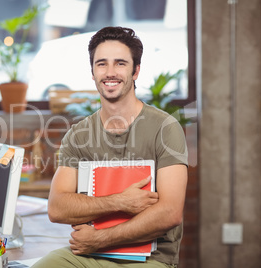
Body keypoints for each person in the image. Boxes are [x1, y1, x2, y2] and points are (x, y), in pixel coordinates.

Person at [32, 27, 188, 268]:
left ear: (136, 71)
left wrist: (100, 239)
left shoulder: (165, 128)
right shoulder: (78, 135)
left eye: (120, 63)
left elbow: (170, 212)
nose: (110, 72)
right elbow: (57, 207)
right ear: (93, 72)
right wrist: (120, 202)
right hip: (90, 256)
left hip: (149, 260)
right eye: (102, 64)